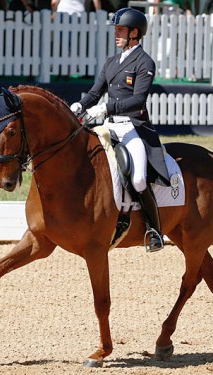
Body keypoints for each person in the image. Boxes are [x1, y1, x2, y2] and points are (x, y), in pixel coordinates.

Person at [70, 7, 170, 252]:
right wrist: (79, 106)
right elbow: (95, 92)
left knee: (137, 177)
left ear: (135, 33)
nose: (116, 34)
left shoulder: (144, 62)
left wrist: (106, 108)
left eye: (121, 30)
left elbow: (138, 100)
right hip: (108, 127)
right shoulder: (112, 62)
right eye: (116, 29)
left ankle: (154, 230)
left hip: (132, 127)